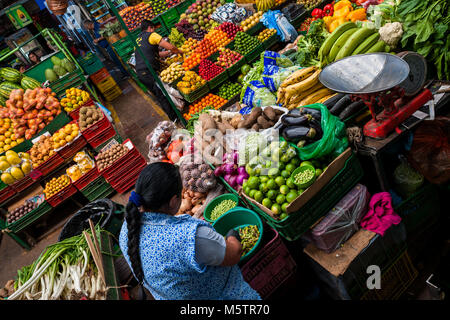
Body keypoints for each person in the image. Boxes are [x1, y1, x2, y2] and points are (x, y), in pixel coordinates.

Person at [119, 162, 261, 300]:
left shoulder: (127, 228)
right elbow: (234, 254)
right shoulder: (188, 236)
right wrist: (232, 237)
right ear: (174, 201)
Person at [134, 20, 183, 121]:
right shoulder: (151, 35)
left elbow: (156, 54)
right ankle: (175, 118)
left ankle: (175, 114)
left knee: (160, 94)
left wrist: (169, 52)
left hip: (141, 73)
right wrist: (179, 51)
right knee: (161, 95)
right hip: (147, 71)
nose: (154, 31)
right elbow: (171, 46)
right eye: (153, 29)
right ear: (150, 28)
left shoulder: (138, 40)